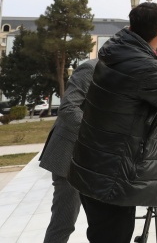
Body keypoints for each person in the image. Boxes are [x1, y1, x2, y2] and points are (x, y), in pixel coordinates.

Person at [68, 2, 157, 243]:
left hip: (94, 168)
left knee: (101, 234)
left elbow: (141, 78)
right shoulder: (144, 69)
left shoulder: (115, 51)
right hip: (113, 179)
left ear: (132, 26)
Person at [38, 59, 97, 243]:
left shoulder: (121, 71)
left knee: (102, 224)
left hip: (95, 160)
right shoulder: (91, 68)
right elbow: (68, 108)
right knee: (64, 222)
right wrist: (100, 133)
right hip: (68, 157)